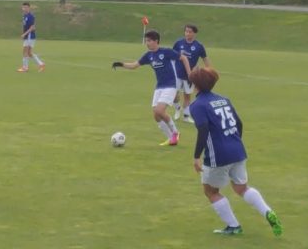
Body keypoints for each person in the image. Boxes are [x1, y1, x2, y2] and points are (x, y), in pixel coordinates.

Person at [187, 67, 282, 237]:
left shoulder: (197, 105)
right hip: (237, 149)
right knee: (241, 188)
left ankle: (233, 226)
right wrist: (233, 142)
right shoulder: (224, 99)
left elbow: (203, 130)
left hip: (218, 155)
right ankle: (267, 211)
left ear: (196, 84)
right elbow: (239, 123)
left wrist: (196, 157)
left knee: (210, 191)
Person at [112, 30, 191, 146]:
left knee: (159, 110)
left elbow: (183, 58)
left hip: (170, 86)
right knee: (156, 115)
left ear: (156, 41)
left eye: (149, 41)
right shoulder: (148, 55)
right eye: (146, 41)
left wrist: (189, 73)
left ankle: (175, 132)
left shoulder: (166, 52)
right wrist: (121, 64)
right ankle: (171, 138)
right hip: (159, 87)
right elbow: (135, 65)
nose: (147, 43)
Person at [171, 24, 212, 124]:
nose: (187, 33)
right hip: (177, 73)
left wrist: (209, 71)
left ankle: (186, 116)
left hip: (190, 76)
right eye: (186, 31)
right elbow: (172, 55)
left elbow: (205, 59)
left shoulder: (199, 46)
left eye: (190, 32)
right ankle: (177, 108)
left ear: (194, 33)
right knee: (173, 94)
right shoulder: (178, 43)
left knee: (187, 96)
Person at [18, 2, 45, 73]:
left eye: (26, 7)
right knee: (29, 53)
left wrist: (24, 34)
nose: (24, 9)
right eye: (23, 7)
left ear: (29, 8)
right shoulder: (24, 16)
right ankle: (41, 64)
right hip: (28, 36)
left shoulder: (31, 16)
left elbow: (32, 27)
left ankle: (25, 68)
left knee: (25, 51)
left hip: (30, 36)